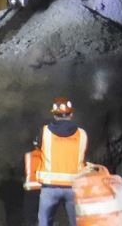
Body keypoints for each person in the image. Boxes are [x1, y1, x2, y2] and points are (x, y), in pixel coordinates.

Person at [36, 97, 88, 226]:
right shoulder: (82, 134)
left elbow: (37, 146)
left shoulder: (45, 132)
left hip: (50, 186)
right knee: (76, 223)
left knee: (44, 222)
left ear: (54, 114)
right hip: (74, 187)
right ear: (71, 114)